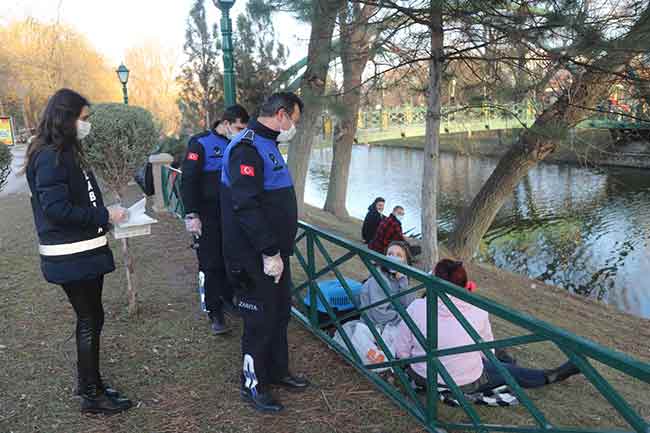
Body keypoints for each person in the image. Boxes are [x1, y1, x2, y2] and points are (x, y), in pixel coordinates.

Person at [24, 89, 133, 415]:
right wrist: (103, 216)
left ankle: (92, 383)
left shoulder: (66, 151)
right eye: (83, 119)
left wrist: (105, 212)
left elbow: (79, 197)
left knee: (91, 318)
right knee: (89, 319)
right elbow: (56, 209)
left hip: (82, 253)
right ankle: (90, 395)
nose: (87, 125)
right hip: (71, 256)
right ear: (66, 118)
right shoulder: (50, 156)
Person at [221, 92, 309, 413]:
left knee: (279, 314)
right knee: (258, 321)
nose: (293, 128)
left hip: (274, 255)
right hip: (255, 256)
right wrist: (269, 250)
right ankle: (252, 384)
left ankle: (277, 371)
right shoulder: (246, 148)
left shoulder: (267, 143)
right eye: (294, 121)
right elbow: (246, 206)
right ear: (282, 115)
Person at [395, 259, 581, 393]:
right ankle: (551, 375)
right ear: (464, 284)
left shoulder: (416, 307)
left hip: (421, 375)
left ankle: (518, 367)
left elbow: (402, 350)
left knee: (497, 363)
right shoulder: (478, 310)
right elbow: (487, 352)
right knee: (509, 371)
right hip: (461, 383)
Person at [181, 105, 249, 335]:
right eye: (238, 127)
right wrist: (191, 214)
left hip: (232, 215)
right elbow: (188, 180)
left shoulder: (239, 145)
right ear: (226, 122)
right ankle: (215, 311)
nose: (241, 132)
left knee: (231, 259)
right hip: (207, 217)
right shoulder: (200, 144)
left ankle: (229, 299)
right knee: (211, 264)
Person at [359, 241, 416, 330]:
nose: (393, 258)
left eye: (399, 255)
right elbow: (379, 314)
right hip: (373, 328)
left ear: (406, 262)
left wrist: (403, 282)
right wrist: (404, 318)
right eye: (390, 254)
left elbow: (409, 306)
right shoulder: (379, 279)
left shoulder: (400, 278)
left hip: (389, 325)